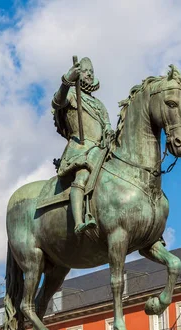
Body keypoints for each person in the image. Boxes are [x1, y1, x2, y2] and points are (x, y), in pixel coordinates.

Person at [52, 57, 113, 234]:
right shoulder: (71, 95)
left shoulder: (99, 105)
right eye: (86, 71)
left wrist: (109, 131)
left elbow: (107, 125)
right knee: (82, 176)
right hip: (80, 148)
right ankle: (79, 222)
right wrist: (66, 81)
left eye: (91, 72)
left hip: (100, 150)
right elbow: (56, 102)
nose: (89, 74)